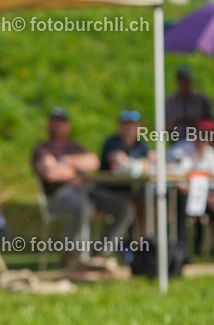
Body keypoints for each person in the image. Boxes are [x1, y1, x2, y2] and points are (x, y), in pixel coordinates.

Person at [32, 107, 134, 261]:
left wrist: (63, 161)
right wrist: (76, 168)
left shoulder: (74, 147)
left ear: (68, 126)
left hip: (86, 190)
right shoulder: (41, 149)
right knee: (84, 206)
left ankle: (100, 252)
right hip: (60, 194)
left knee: (125, 208)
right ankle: (70, 253)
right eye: (55, 122)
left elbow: (93, 162)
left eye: (62, 122)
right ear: (48, 124)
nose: (58, 126)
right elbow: (50, 174)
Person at [168, 119, 214, 257]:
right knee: (180, 202)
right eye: (201, 133)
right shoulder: (180, 151)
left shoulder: (212, 154)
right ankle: (181, 254)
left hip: (205, 199)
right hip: (183, 198)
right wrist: (205, 197)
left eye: (207, 135)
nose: (203, 138)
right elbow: (177, 184)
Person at [99, 110, 155, 239]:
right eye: (126, 124)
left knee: (152, 204)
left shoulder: (141, 145)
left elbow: (147, 163)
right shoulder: (111, 143)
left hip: (132, 191)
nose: (129, 128)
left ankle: (143, 243)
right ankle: (106, 247)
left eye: (133, 124)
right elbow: (115, 160)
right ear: (119, 125)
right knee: (127, 208)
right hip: (109, 190)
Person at [165, 66, 214, 139]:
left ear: (191, 81)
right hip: (178, 141)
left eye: (186, 81)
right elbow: (166, 126)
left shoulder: (202, 100)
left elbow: (211, 124)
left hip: (199, 140)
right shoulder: (170, 101)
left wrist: (196, 124)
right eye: (181, 81)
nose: (184, 84)